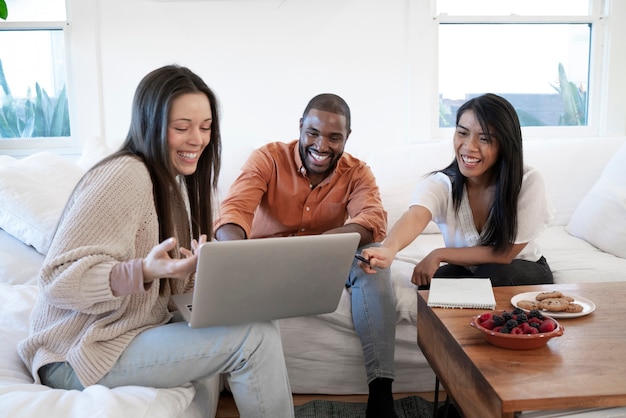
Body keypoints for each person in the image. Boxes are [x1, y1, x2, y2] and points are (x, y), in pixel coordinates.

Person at [18, 65, 294, 418]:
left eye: (206, 127)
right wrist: (143, 271)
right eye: (182, 127)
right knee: (253, 338)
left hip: (128, 334)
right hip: (74, 355)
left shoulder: (178, 186)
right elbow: (57, 279)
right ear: (150, 123)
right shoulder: (124, 175)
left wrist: (217, 278)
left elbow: (175, 286)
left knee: (255, 323)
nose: (197, 139)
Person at [214, 93, 398, 418]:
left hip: (326, 260)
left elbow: (372, 221)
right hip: (268, 258)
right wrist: (235, 254)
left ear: (347, 138)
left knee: (373, 260)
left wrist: (322, 244)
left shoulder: (357, 172)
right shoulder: (267, 158)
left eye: (334, 137)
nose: (321, 145)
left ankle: (381, 394)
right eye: (313, 133)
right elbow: (234, 212)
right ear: (300, 126)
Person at [360, 93, 554, 289]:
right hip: (472, 270)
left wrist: (439, 254)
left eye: (485, 139)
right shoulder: (443, 183)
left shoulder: (527, 181)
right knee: (430, 285)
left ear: (505, 144)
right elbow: (416, 215)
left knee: (492, 277)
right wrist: (389, 249)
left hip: (522, 267)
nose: (469, 146)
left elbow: (505, 254)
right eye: (462, 133)